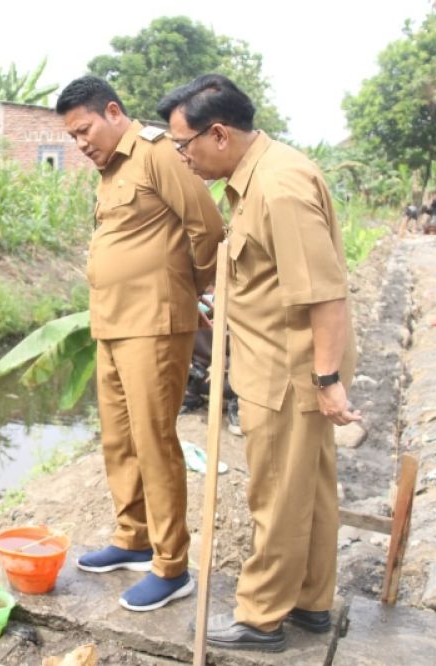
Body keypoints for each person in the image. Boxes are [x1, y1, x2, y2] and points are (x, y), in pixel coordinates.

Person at [157, 74, 359, 651]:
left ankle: (261, 616)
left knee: (276, 496)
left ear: (219, 134)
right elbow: (269, 274)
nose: (183, 157)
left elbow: (324, 293)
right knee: (310, 489)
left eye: (185, 144)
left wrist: (326, 380)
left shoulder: (277, 187)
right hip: (283, 364)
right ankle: (311, 602)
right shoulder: (259, 177)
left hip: (288, 375)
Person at [55, 76, 225, 611]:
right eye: (73, 137)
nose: (81, 143)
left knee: (154, 441)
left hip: (154, 325)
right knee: (119, 440)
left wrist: (190, 290)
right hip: (111, 324)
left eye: (84, 130)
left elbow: (207, 227)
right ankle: (133, 538)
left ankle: (172, 566)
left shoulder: (156, 153)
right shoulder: (109, 171)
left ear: (112, 111)